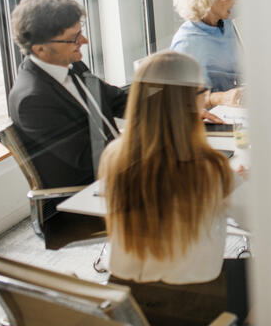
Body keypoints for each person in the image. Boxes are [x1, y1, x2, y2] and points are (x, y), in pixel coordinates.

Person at [100, 51, 250, 325]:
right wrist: (238, 181)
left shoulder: (113, 156)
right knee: (261, 272)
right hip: (191, 307)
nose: (205, 97)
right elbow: (254, 221)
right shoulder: (210, 168)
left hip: (127, 304)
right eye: (201, 92)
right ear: (188, 103)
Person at [8, 0, 128, 192]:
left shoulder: (73, 65)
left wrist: (178, 105)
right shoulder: (32, 101)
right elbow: (87, 159)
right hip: (85, 194)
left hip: (117, 172)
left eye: (80, 33)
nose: (84, 41)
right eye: (74, 39)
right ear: (40, 50)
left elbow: (118, 101)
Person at [171, 0, 244, 108]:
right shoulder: (186, 43)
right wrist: (219, 98)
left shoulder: (226, 25)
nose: (234, 2)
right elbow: (183, 102)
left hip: (233, 110)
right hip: (205, 120)